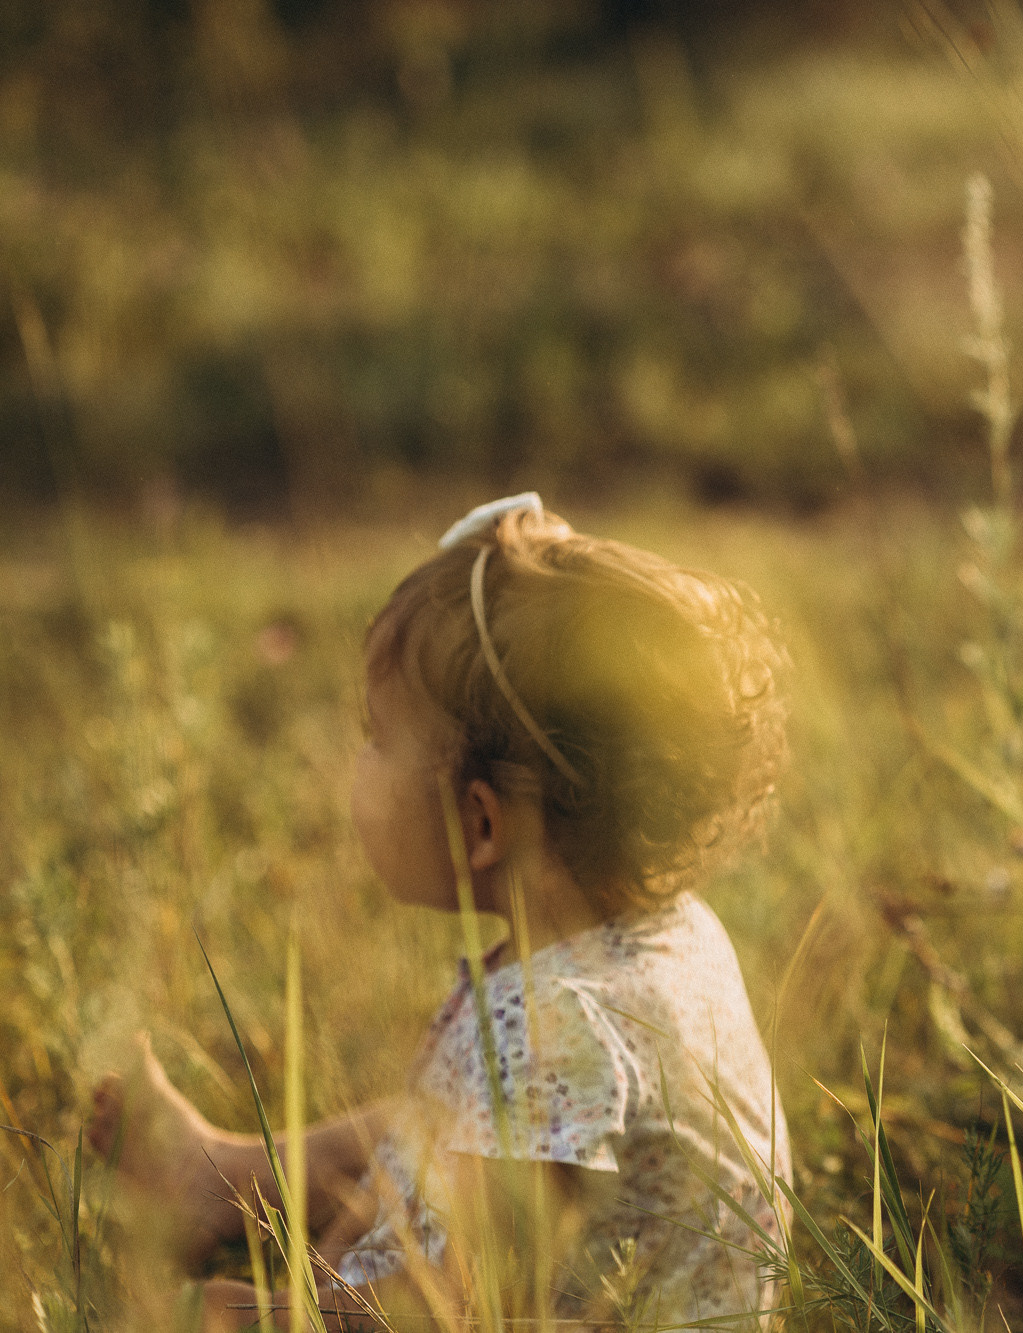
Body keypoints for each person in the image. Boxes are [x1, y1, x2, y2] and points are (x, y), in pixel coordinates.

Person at [88, 494, 792, 1328]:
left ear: (482, 823)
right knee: (440, 1113)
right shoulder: (657, 933)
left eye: (376, 735)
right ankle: (230, 1178)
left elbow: (451, 1301)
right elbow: (459, 1130)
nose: (357, 760)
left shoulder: (566, 1036)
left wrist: (264, 1315)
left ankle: (243, 1227)